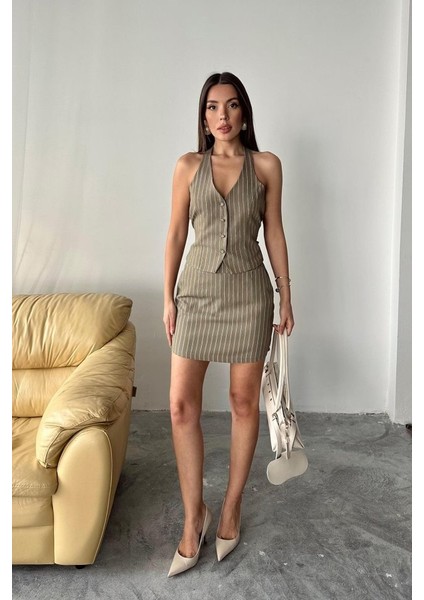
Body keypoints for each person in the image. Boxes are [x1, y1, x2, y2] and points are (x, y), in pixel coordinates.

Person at [163, 71, 294, 577]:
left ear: (244, 113)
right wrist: (168, 297)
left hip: (248, 296)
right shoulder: (187, 166)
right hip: (195, 294)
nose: (223, 115)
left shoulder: (266, 166)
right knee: (180, 406)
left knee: (243, 402)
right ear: (204, 118)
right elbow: (176, 233)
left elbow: (274, 230)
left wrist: (285, 293)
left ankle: (232, 507)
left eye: (232, 105)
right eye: (213, 107)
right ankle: (193, 513)